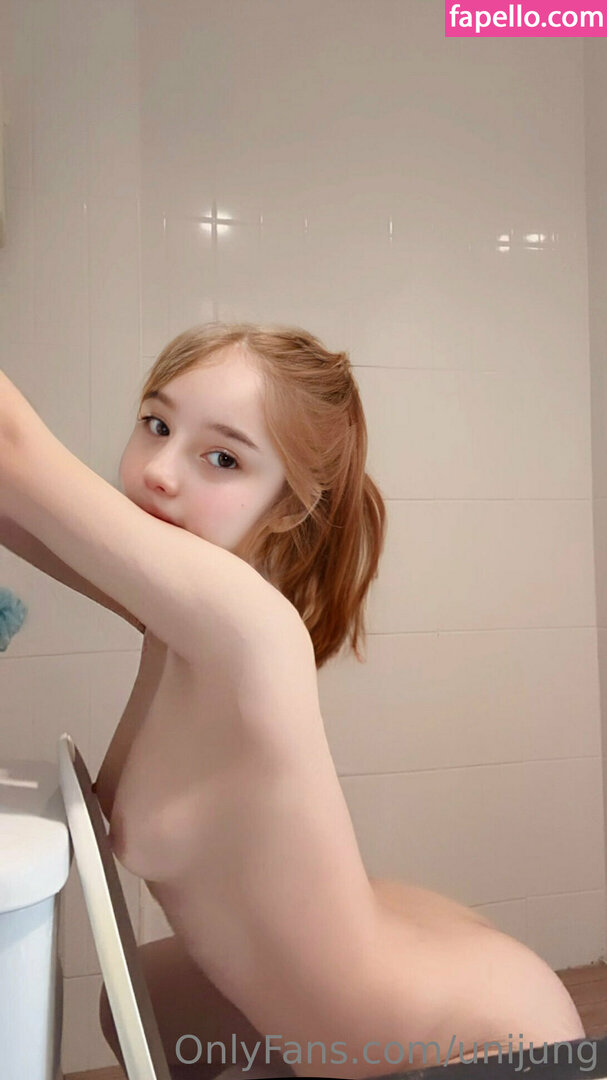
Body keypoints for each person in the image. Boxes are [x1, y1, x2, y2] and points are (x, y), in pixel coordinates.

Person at [0, 325, 585, 1079]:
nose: (159, 472)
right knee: (136, 1004)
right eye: (156, 424)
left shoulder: (242, 625)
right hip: (410, 975)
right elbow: (17, 505)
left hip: (482, 1034)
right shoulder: (181, 615)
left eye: (223, 458)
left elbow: (12, 449)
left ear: (285, 507)